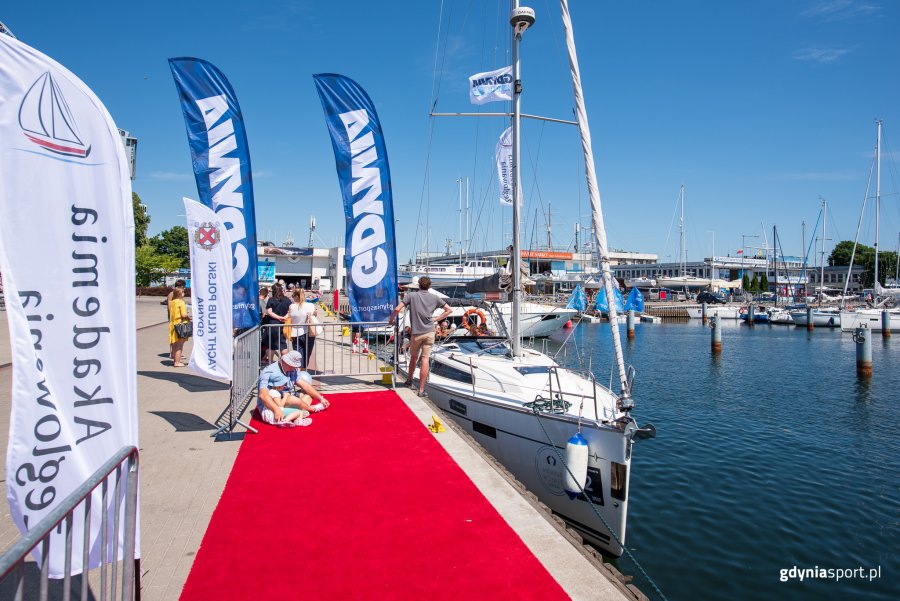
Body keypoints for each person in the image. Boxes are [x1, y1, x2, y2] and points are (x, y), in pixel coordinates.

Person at [389, 276, 452, 397]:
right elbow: (449, 310)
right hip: (429, 332)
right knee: (425, 360)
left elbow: (397, 309)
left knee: (413, 358)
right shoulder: (435, 297)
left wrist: (391, 319)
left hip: (416, 333)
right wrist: (436, 319)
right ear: (429, 286)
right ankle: (421, 390)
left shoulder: (411, 296)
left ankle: (409, 380)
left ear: (418, 285)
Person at [257, 351, 331, 426]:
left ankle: (298, 411)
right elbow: (263, 395)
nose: (295, 368)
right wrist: (276, 409)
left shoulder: (293, 370)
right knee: (293, 399)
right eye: (293, 365)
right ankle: (310, 409)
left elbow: (305, 385)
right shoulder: (268, 372)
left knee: (309, 395)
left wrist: (321, 398)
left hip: (284, 399)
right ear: (286, 362)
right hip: (271, 405)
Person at [288, 288, 318, 369]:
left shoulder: (292, 306)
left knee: (298, 355)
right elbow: (314, 315)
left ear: (295, 296)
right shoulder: (310, 305)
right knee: (307, 355)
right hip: (308, 332)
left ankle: (298, 373)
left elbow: (290, 317)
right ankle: (303, 372)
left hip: (295, 332)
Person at [262, 283, 291, 363]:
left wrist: (278, 317)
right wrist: (284, 317)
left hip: (273, 325)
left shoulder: (271, 299)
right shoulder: (287, 300)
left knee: (272, 346)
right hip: (283, 324)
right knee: (283, 345)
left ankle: (271, 364)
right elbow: (290, 310)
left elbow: (269, 311)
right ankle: (285, 363)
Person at [168, 287, 191, 367]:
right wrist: (190, 318)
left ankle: (175, 360)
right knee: (179, 345)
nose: (184, 293)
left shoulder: (173, 302)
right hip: (180, 325)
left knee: (174, 344)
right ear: (180, 294)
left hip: (173, 324)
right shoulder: (181, 302)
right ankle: (177, 362)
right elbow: (184, 315)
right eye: (183, 292)